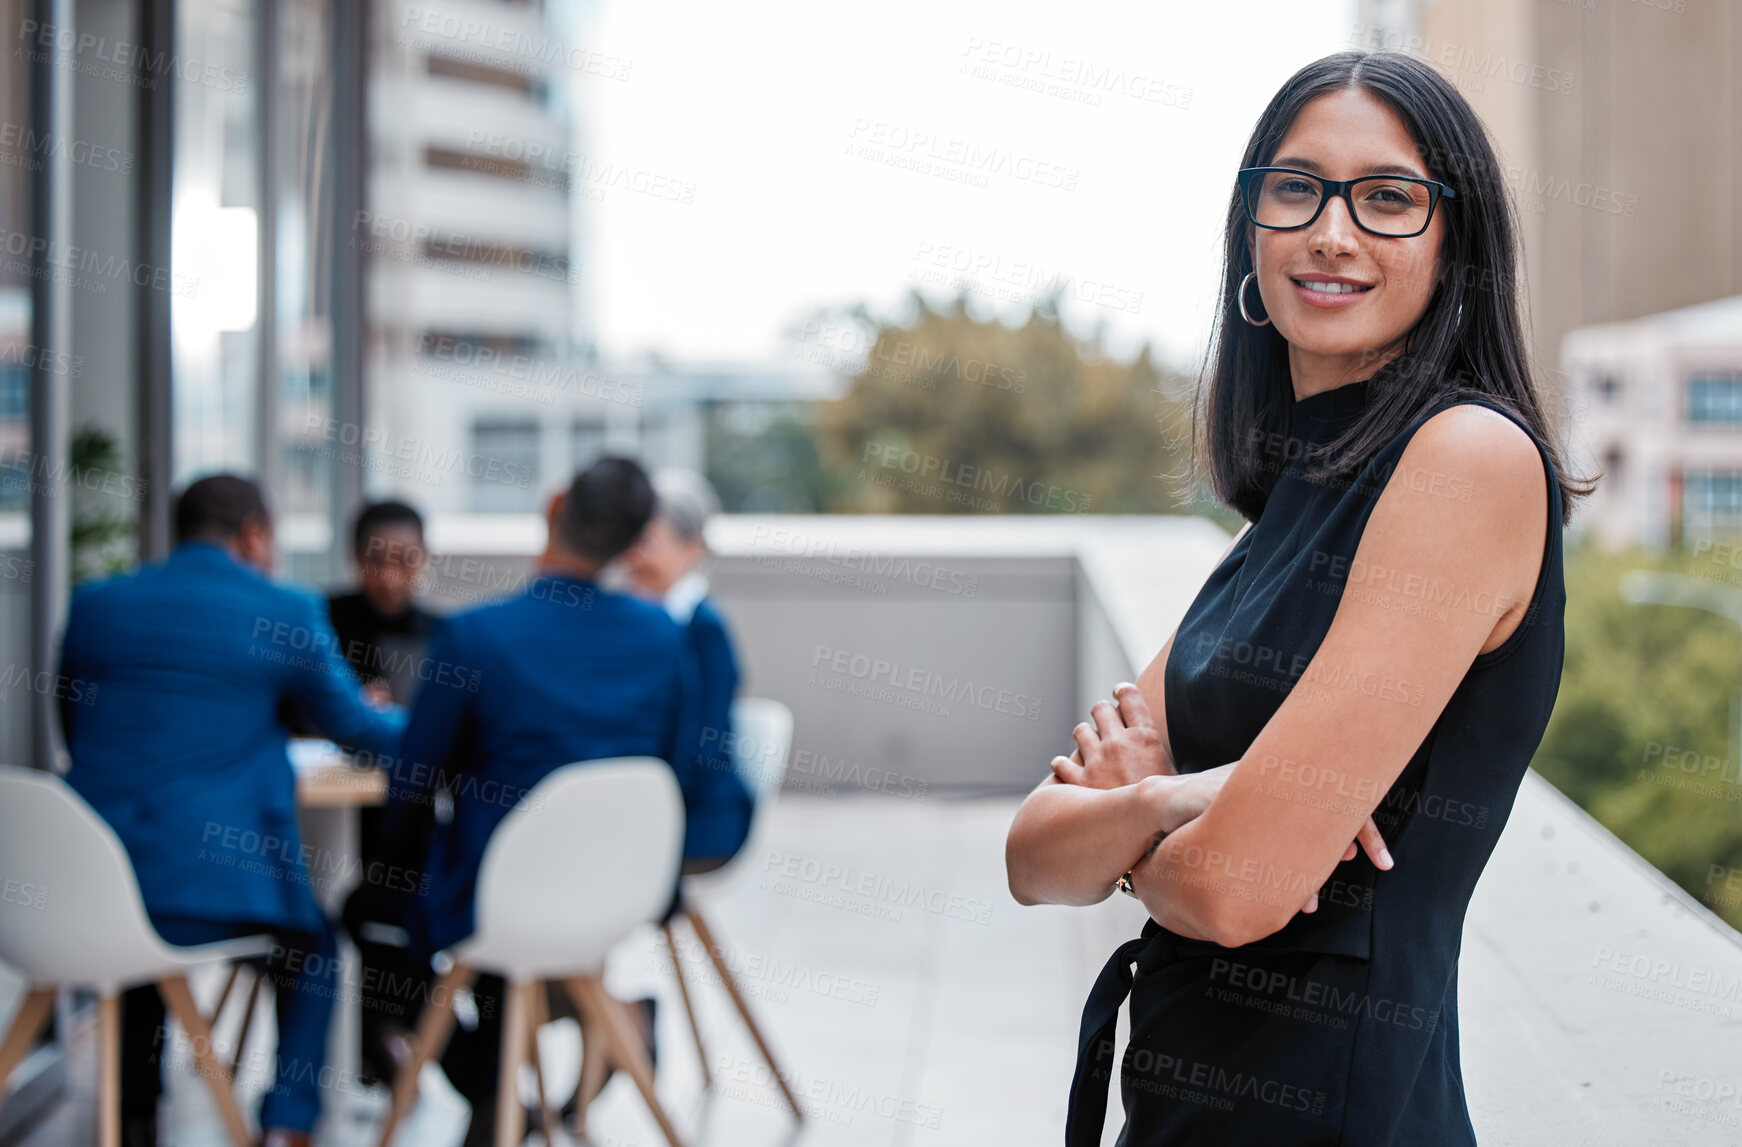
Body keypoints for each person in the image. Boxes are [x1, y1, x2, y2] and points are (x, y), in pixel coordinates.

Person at [1005, 50, 1590, 1146]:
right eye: (1295, 189)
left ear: (1455, 243)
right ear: (1249, 228)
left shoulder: (1465, 459)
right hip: (1182, 1100)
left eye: (1386, 199)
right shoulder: (1285, 507)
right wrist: (1182, 800)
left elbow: (1235, 894)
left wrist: (1149, 826)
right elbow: (1032, 856)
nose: (1331, 232)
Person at [58, 475, 406, 1147]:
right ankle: (287, 1124)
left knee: (136, 929)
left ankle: (134, 1110)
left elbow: (79, 729)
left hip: (86, 890)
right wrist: (426, 722)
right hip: (213, 886)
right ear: (254, 532)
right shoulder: (285, 608)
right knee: (315, 950)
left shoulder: (95, 604)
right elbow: (358, 729)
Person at [379, 456, 702, 1143]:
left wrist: (400, 867)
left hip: (497, 901)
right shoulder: (664, 638)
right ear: (634, 541)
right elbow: (678, 773)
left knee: (377, 915)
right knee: (487, 897)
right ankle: (566, 1050)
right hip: (621, 894)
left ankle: (493, 1090)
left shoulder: (476, 636)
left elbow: (411, 780)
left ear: (554, 504)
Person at [322, 500, 438, 1086]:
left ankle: (387, 1036)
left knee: (398, 884)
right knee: (370, 895)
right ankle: (388, 1038)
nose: (391, 577)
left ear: (424, 560)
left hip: (404, 814)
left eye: (406, 561)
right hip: (319, 816)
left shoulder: (441, 635)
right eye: (377, 561)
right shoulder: (321, 621)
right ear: (355, 558)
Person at [622, 468, 754, 872]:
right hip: (655, 806)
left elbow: (704, 745)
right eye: (630, 543)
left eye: (648, 543)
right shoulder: (649, 621)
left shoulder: (703, 628)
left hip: (700, 820)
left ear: (692, 548)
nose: (634, 557)